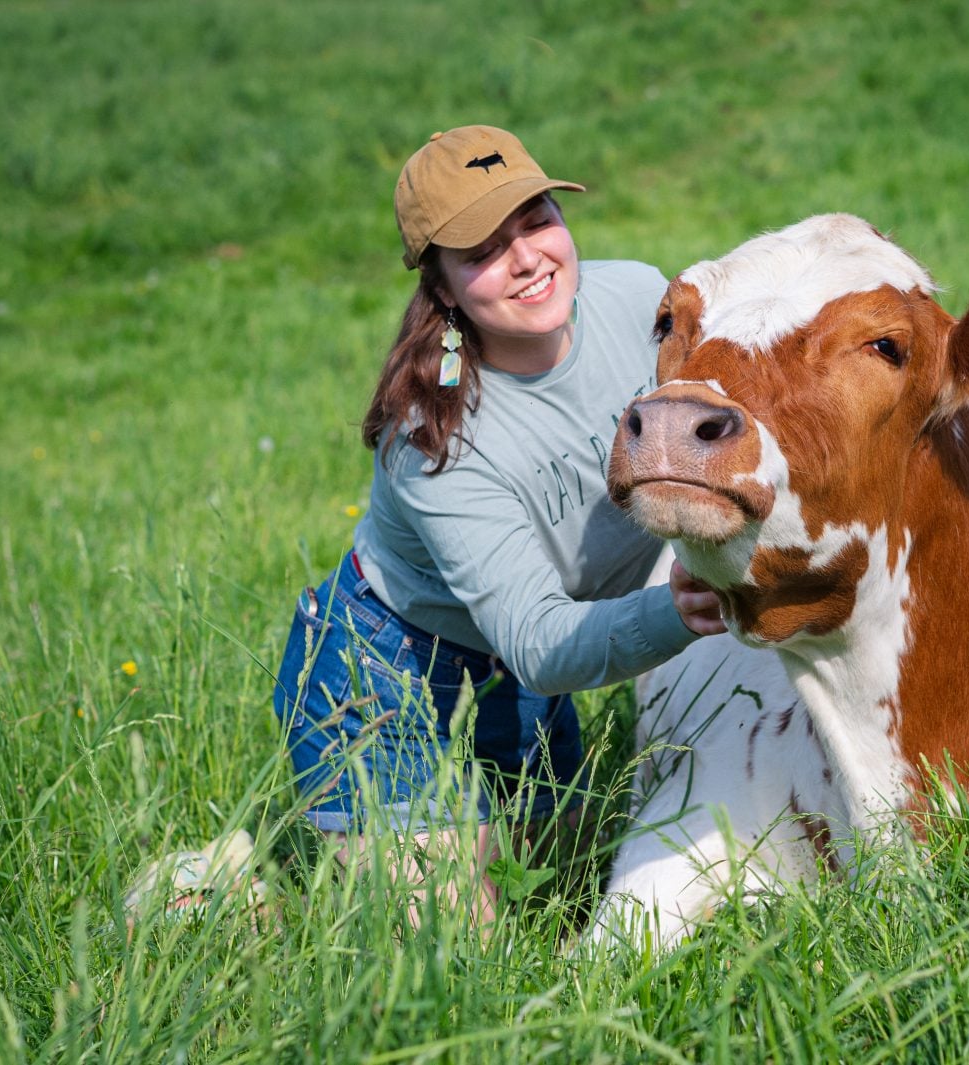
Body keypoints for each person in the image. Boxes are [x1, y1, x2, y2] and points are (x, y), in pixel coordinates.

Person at [271, 125, 724, 924]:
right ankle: (244, 900)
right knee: (462, 946)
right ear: (443, 288)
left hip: (510, 664)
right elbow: (545, 643)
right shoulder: (433, 439)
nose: (527, 258)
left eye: (536, 218)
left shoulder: (641, 303)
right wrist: (678, 612)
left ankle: (374, 870)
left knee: (567, 874)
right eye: (483, 248)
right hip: (387, 669)